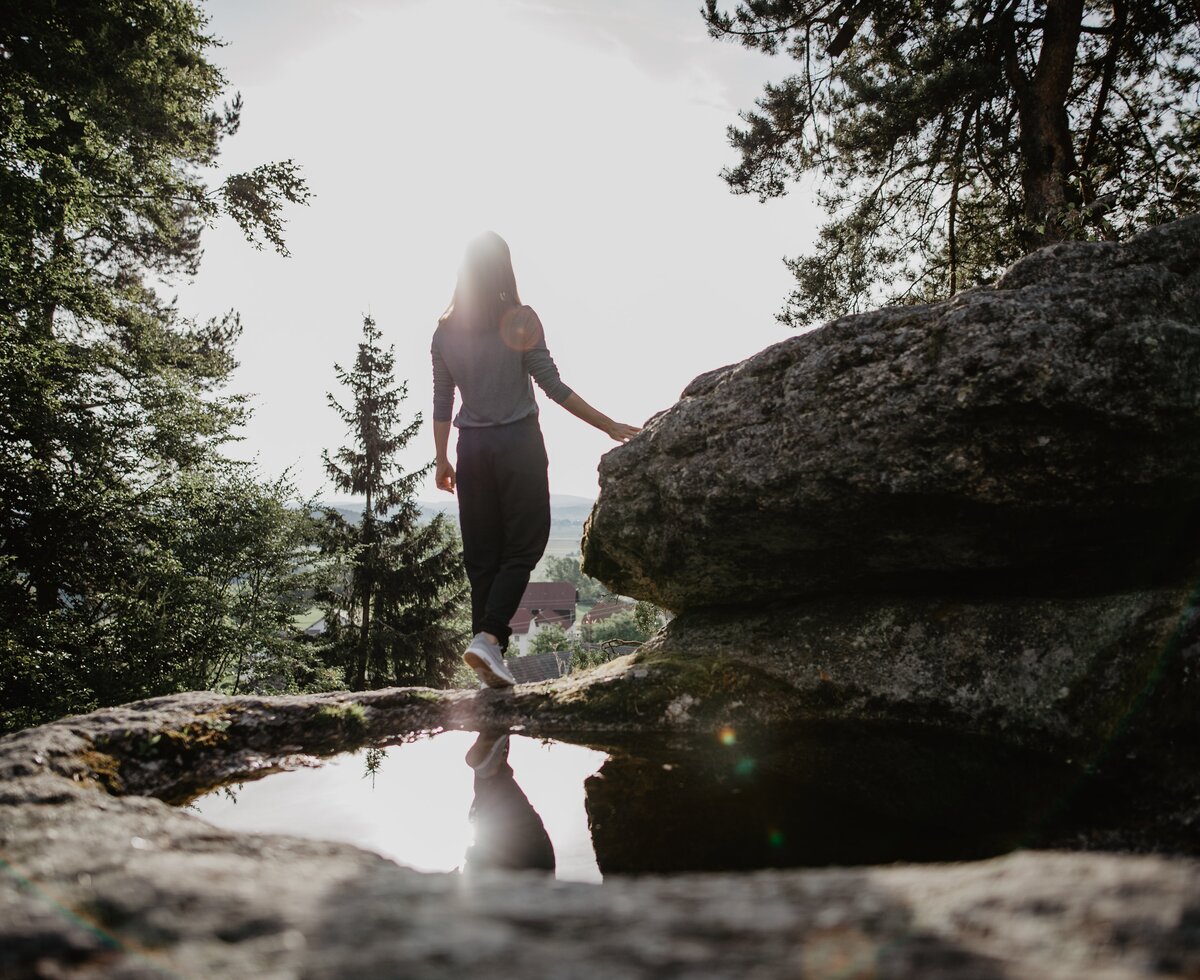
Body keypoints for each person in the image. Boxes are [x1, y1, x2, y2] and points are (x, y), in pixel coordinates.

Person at [432, 231, 640, 688]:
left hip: (471, 450)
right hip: (517, 444)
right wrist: (606, 424)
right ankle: (489, 637)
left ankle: (489, 656)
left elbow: (443, 399)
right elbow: (552, 384)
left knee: (482, 557)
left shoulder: (445, 331)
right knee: (525, 545)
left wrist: (441, 459)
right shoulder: (520, 319)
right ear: (504, 269)